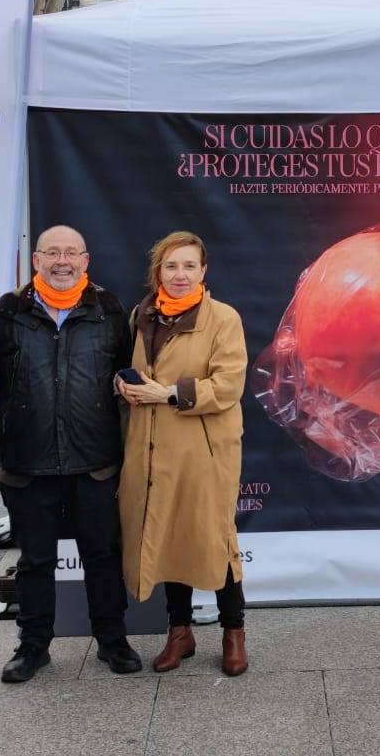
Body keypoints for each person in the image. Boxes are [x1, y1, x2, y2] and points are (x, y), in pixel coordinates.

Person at [0, 225, 139, 684]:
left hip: (95, 460)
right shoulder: (8, 311)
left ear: (86, 261)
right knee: (34, 561)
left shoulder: (110, 310)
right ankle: (33, 646)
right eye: (52, 253)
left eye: (71, 253)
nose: (62, 262)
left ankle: (112, 639)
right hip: (28, 462)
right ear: (37, 260)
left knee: (103, 555)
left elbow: (126, 374)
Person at [118, 232, 251, 677]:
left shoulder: (223, 318)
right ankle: (180, 632)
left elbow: (228, 385)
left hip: (204, 452)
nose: (180, 274)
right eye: (171, 266)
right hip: (152, 448)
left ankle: (234, 632)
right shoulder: (142, 315)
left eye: (189, 266)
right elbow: (131, 370)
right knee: (167, 537)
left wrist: (170, 393)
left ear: (203, 271)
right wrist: (123, 385)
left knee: (217, 539)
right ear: (159, 272)